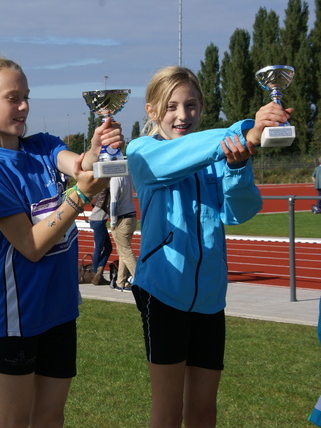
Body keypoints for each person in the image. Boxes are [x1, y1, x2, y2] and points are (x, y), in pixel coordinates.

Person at [0, 54, 124, 427]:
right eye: (12, 98)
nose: (24, 106)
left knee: (51, 416)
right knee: (15, 419)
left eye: (27, 96)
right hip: (21, 312)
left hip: (61, 306)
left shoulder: (43, 145)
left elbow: (79, 165)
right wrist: (79, 196)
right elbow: (31, 246)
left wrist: (98, 150)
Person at [127, 65, 292, 428]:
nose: (182, 115)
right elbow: (179, 157)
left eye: (190, 105)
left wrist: (238, 165)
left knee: (204, 413)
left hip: (210, 296)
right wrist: (246, 132)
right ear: (151, 111)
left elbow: (238, 211)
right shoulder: (142, 151)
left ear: (201, 107)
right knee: (167, 414)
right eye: (170, 107)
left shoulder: (216, 157)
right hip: (164, 292)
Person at [109, 172, 137, 290]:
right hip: (131, 216)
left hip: (122, 218)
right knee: (122, 252)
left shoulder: (115, 177)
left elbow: (114, 201)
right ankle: (120, 282)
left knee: (125, 251)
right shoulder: (128, 174)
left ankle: (140, 280)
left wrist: (113, 221)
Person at [88, 186, 112, 285]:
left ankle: (98, 273)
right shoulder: (106, 189)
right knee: (99, 248)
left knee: (108, 247)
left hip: (97, 220)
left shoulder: (105, 190)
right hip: (98, 221)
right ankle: (96, 273)